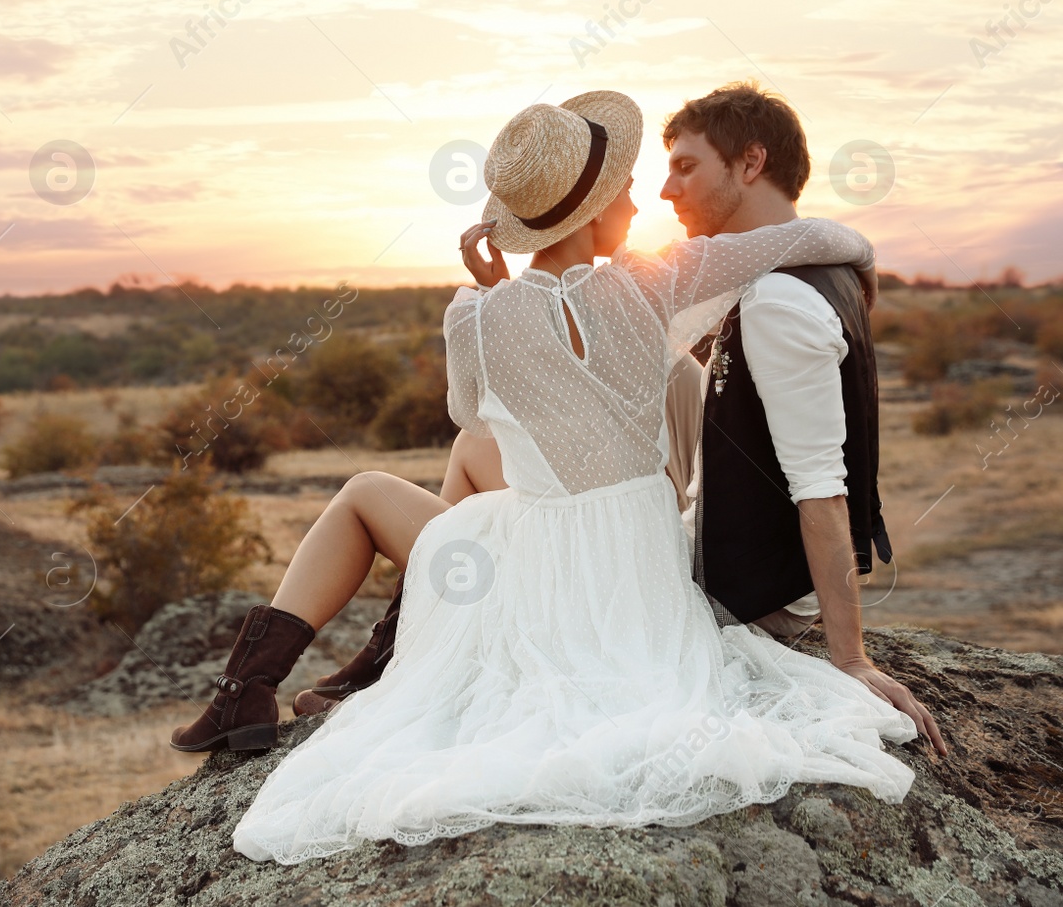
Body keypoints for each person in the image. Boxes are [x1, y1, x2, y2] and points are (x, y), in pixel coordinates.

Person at [165, 89, 928, 864]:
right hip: (638, 561)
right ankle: (372, 655)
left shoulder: (473, 317)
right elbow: (805, 236)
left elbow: (472, 409)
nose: (639, 197)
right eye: (622, 189)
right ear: (594, 213)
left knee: (389, 487)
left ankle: (262, 684)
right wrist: (861, 259)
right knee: (464, 489)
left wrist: (498, 299)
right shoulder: (656, 280)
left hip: (546, 551)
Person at [301, 83, 944, 754]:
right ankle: (403, 645)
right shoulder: (692, 279)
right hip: (676, 529)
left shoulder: (767, 300)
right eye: (638, 183)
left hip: (734, 574)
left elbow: (822, 490)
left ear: (750, 163)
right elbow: (801, 241)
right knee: (493, 463)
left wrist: (851, 661)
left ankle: (404, 648)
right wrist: (863, 255)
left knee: (468, 472)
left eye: (686, 167)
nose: (660, 193)